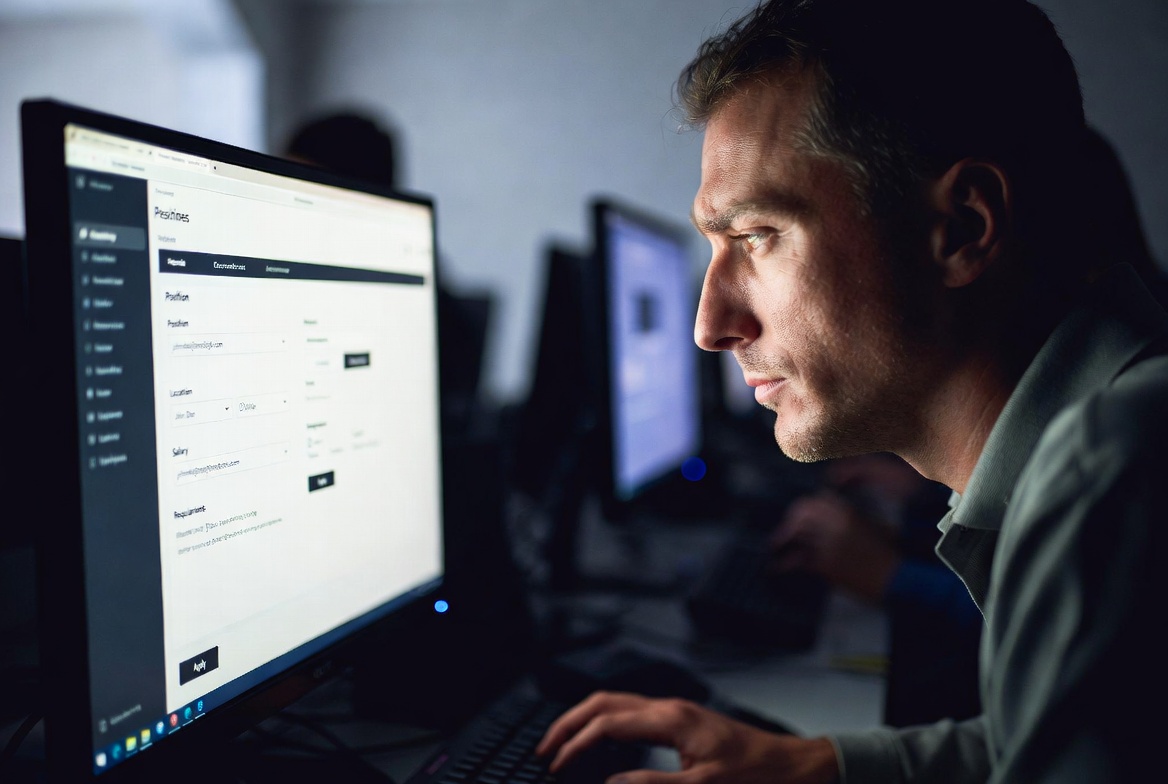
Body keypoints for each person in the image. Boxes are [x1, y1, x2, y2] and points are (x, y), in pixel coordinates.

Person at [536, 1, 1168, 782]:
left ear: (964, 230)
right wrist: (811, 766)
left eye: (757, 235)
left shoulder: (1112, 470)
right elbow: (1039, 747)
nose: (711, 325)